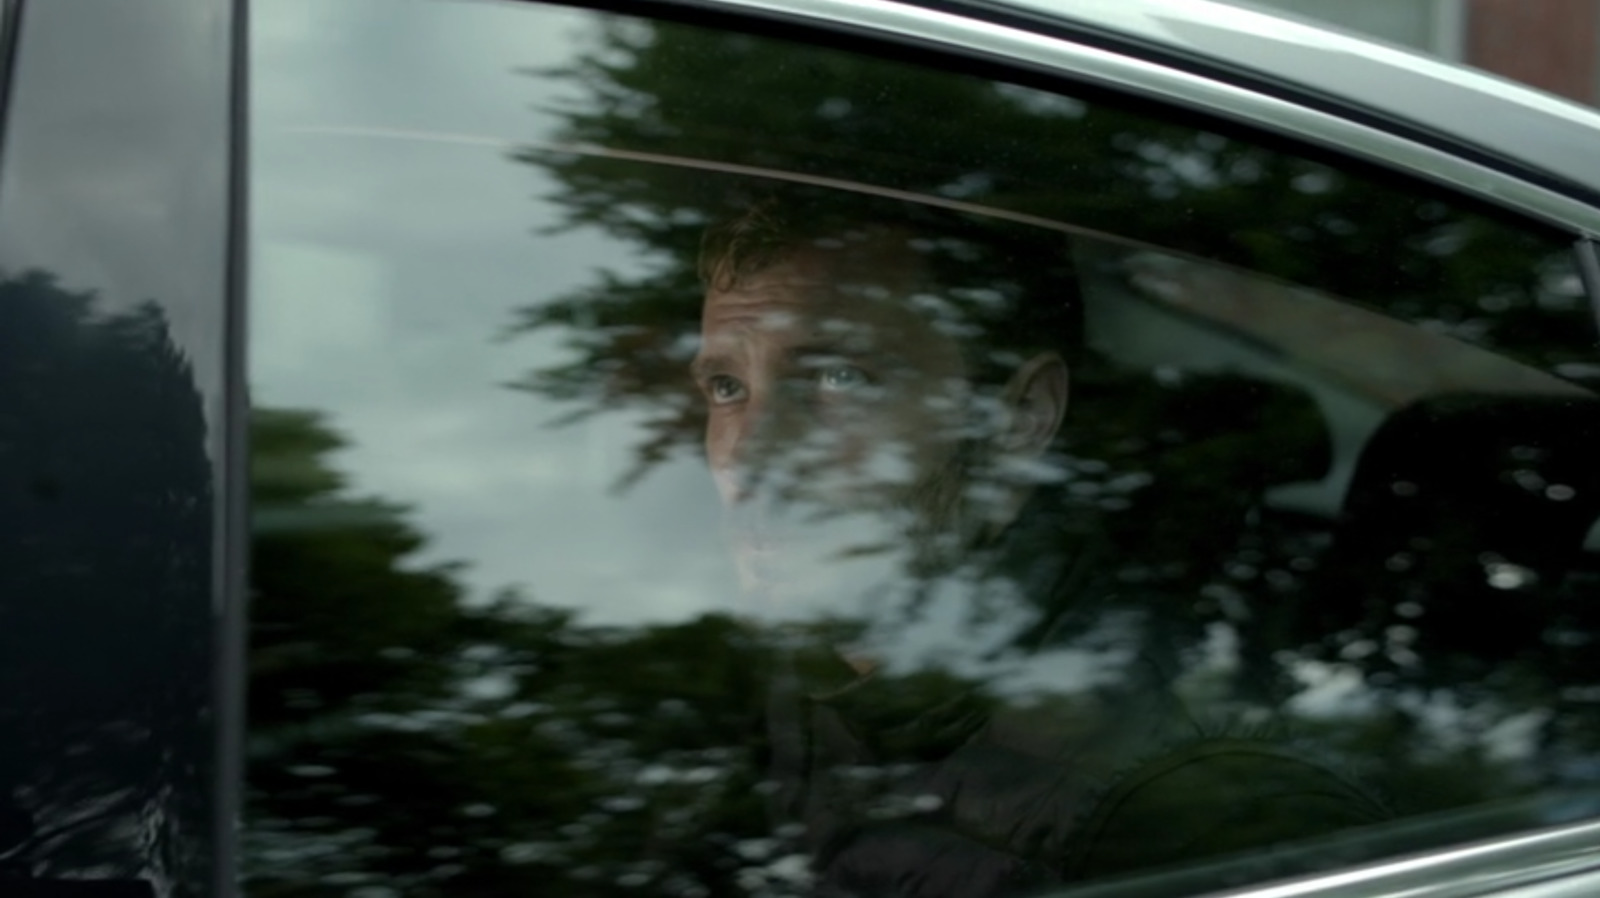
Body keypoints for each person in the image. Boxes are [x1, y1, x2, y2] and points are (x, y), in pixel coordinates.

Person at [690, 189, 1388, 898]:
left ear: (1019, 418)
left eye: (839, 377)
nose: (748, 457)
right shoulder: (783, 699)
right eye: (726, 387)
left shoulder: (1193, 812)